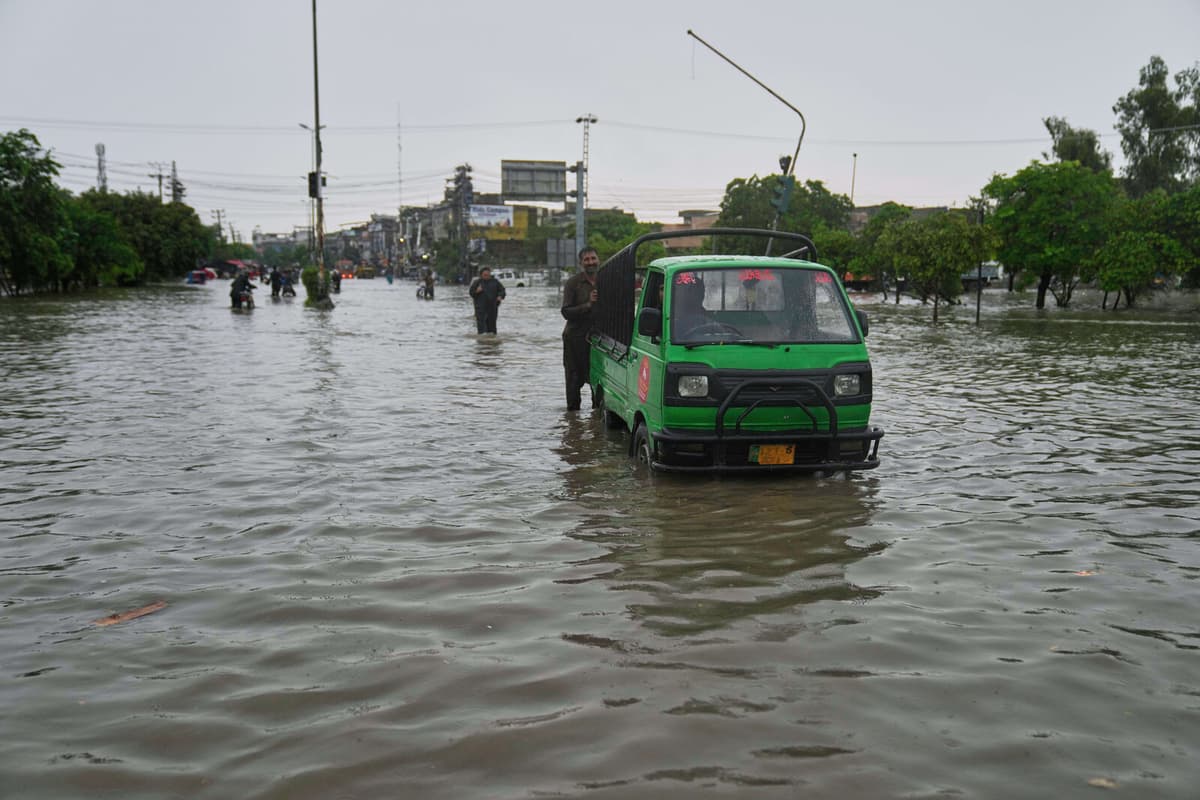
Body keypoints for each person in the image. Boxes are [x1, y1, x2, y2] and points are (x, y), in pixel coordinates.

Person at [561, 247, 600, 410]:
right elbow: (566, 311)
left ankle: (596, 419)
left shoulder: (606, 279)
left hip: (599, 340)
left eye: (593, 259)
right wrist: (588, 305)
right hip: (575, 339)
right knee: (573, 379)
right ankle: (572, 421)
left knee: (597, 379)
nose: (590, 262)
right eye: (587, 260)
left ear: (599, 260)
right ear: (581, 263)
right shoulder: (573, 283)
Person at [469, 267, 506, 334]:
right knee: (482, 329)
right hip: (480, 309)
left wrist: (500, 296)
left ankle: (491, 343)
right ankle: (482, 343)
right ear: (481, 275)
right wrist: (477, 291)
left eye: (488, 275)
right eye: (485, 275)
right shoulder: (477, 282)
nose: (487, 276)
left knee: (492, 329)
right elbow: (471, 293)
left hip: (492, 308)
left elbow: (502, 290)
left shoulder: (495, 282)